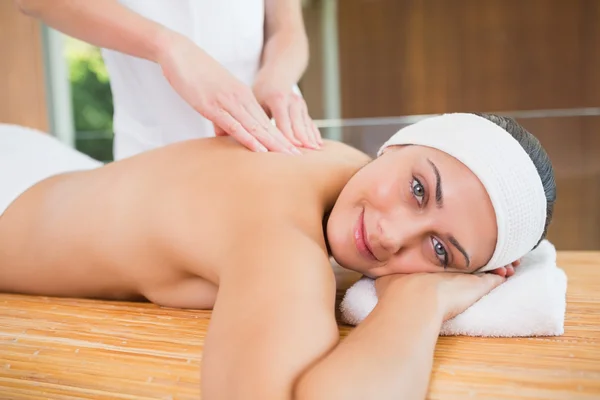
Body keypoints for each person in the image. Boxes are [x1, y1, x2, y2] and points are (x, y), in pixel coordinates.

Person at [0, 113, 556, 399]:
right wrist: (417, 300)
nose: (390, 236)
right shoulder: (280, 237)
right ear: (401, 142)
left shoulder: (345, 167)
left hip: (45, 170)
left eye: (438, 249)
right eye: (418, 190)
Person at [15, 0, 321, 159]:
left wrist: (276, 79)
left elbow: (287, 28)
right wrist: (168, 47)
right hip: (158, 151)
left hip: (272, 138)